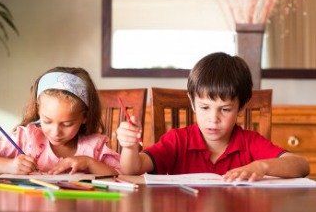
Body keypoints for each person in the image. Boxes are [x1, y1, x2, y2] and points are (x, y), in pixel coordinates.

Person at [116, 52, 310, 181]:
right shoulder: (177, 140)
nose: (213, 118)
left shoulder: (249, 142)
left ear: (241, 107)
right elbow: (132, 169)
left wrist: (262, 166)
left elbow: (301, 166)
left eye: (225, 109)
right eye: (204, 107)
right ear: (192, 102)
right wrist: (130, 148)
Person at [0, 67, 120, 175]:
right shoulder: (26, 138)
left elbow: (123, 175)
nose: (56, 132)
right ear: (38, 110)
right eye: (47, 121)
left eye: (67, 124)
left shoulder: (95, 147)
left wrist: (89, 163)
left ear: (85, 117)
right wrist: (10, 166)